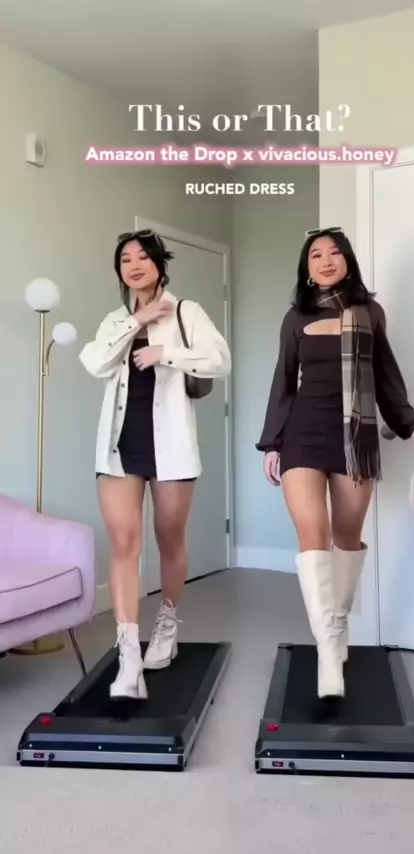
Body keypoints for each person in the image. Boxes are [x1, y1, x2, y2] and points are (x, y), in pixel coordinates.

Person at [256, 227, 414, 700]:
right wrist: (272, 443)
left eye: (335, 253)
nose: (326, 260)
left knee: (346, 536)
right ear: (307, 268)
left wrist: (411, 423)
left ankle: (336, 621)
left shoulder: (369, 313)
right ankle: (329, 649)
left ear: (348, 261)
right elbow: (283, 382)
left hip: (356, 436)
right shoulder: (295, 318)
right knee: (311, 531)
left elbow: (386, 377)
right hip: (302, 433)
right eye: (316, 254)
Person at [79, 229, 231, 700]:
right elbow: (96, 364)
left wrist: (168, 352)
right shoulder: (114, 320)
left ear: (160, 265)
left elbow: (220, 360)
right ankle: (129, 658)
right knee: (124, 543)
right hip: (119, 446)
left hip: (172, 447)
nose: (134, 265)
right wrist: (136, 321)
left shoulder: (187, 311)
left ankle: (167, 623)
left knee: (169, 539)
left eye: (143, 257)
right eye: (125, 259)